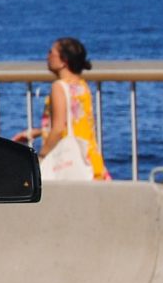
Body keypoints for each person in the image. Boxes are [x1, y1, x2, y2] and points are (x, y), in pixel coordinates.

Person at [14, 36, 110, 182]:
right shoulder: (82, 86)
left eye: (51, 53)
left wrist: (42, 156)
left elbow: (59, 128)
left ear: (63, 61)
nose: (47, 57)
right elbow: (74, 122)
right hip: (88, 157)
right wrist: (38, 131)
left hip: (68, 160)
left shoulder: (59, 87)